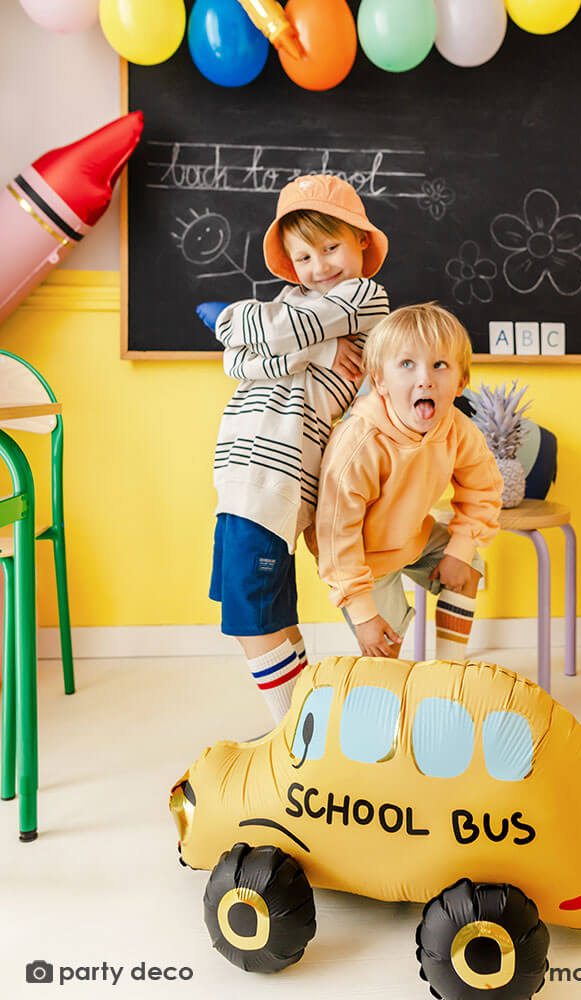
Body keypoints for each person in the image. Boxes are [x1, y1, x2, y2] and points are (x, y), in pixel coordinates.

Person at [203, 174, 389, 722]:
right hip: (243, 472)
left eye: (331, 247)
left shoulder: (363, 296)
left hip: (277, 475)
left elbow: (265, 332)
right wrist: (318, 354)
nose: (320, 266)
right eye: (304, 256)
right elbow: (234, 362)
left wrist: (231, 318)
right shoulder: (297, 304)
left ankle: (296, 735)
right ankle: (310, 723)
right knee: (266, 605)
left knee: (250, 611)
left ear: (359, 240)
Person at [316, 302, 502, 659]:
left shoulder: (458, 430)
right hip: (361, 556)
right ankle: (387, 696)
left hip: (411, 536)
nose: (424, 378)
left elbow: (483, 489)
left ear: (461, 381)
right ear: (379, 380)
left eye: (440, 365)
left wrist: (459, 552)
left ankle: (448, 669)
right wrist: (363, 613)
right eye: (407, 364)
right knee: (384, 647)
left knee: (469, 567)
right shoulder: (360, 443)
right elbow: (336, 533)